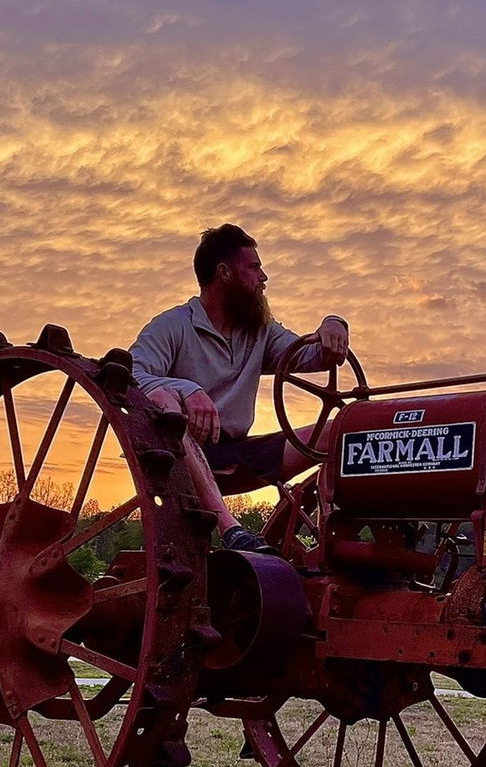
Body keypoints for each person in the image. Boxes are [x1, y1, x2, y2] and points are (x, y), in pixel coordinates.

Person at [128, 224, 350, 552]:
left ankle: (337, 544)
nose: (264, 278)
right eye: (255, 267)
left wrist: (334, 325)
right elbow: (131, 376)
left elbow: (306, 355)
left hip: (241, 453)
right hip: (185, 456)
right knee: (162, 398)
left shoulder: (261, 331)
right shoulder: (173, 326)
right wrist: (185, 389)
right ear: (225, 273)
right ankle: (229, 528)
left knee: (342, 430)